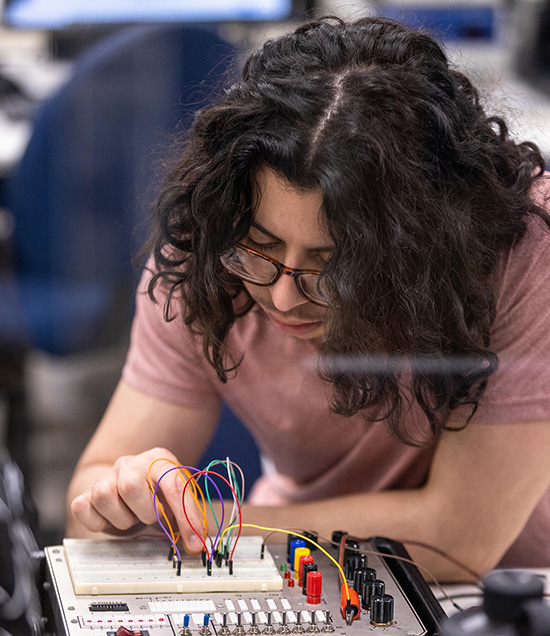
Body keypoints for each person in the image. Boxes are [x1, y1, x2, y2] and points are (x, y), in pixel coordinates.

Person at [67, 15, 550, 582]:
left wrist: (206, 526)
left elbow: (458, 542)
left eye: (334, 266)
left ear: (427, 245)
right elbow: (86, 522)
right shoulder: (209, 244)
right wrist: (125, 502)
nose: (282, 295)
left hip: (519, 583)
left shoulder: (522, 243)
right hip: (312, 558)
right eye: (260, 247)